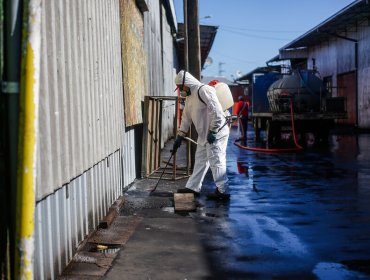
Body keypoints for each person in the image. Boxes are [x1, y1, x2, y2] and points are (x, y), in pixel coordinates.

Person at [172, 70, 230, 200]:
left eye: (181, 87)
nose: (181, 89)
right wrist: (180, 135)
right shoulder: (189, 97)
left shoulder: (204, 90)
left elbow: (217, 111)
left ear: (187, 83)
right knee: (200, 160)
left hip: (217, 133)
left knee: (216, 160)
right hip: (204, 134)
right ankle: (193, 187)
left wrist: (214, 130)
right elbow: (186, 118)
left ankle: (223, 191)